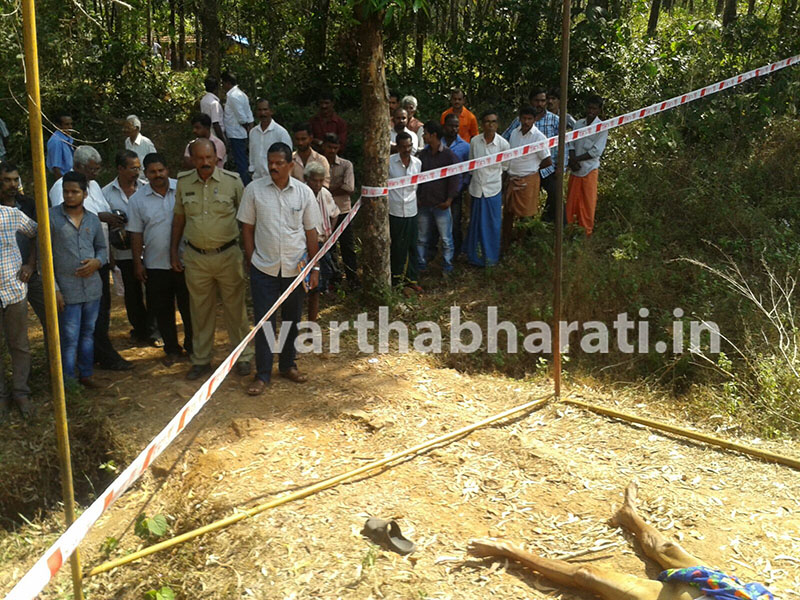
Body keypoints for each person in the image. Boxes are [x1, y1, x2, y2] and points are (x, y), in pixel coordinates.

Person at [468, 482, 775, 600]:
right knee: (666, 548)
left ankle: (510, 550)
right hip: (725, 591)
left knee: (587, 575)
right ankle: (629, 515)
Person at [237, 142, 321, 395]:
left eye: (279, 163)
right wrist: (252, 260)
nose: (273, 167)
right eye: (270, 162)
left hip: (296, 270)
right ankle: (262, 374)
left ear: (291, 165)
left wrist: (314, 268)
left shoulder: (304, 193)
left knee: (291, 320)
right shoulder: (254, 190)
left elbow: (311, 233)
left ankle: (287, 365)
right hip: (264, 268)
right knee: (264, 322)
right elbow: (247, 229)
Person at [171, 138, 253, 380]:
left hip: (228, 256)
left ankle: (243, 356)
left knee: (236, 310)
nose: (205, 162)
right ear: (192, 159)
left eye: (209, 157)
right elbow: (179, 219)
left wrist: (250, 254)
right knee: (200, 311)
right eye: (199, 158)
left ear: (217, 157)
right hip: (196, 258)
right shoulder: (184, 182)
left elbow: (247, 220)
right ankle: (201, 359)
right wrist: (173, 251)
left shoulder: (232, 182)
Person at [50, 145, 133, 371]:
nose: (95, 173)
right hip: (74, 266)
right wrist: (101, 216)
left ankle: (94, 357)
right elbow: (64, 218)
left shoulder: (93, 186)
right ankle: (80, 367)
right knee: (74, 324)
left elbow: (98, 219)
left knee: (100, 313)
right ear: (78, 166)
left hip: (99, 259)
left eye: (97, 169)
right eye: (91, 169)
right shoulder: (62, 187)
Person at [128, 153, 193, 366]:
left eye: (161, 170)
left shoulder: (182, 189)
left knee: (189, 307)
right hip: (155, 264)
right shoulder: (137, 200)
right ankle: (172, 349)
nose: (158, 175)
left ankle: (193, 347)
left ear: (167, 170)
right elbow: (135, 233)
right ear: (146, 174)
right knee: (163, 309)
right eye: (152, 172)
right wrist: (138, 263)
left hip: (185, 260)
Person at [50, 172, 106, 388]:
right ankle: (68, 382)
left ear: (85, 194)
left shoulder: (92, 219)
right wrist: (55, 289)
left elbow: (102, 248)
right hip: (67, 290)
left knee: (88, 333)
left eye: (75, 192)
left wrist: (97, 262)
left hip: (92, 289)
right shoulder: (51, 218)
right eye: (66, 192)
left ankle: (86, 374)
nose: (70, 196)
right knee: (69, 337)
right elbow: (43, 259)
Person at [102, 150, 158, 346]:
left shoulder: (146, 188)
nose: (137, 172)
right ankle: (140, 330)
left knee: (154, 291)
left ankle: (154, 331)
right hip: (123, 252)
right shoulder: (106, 193)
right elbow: (102, 224)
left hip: (148, 249)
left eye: (138, 168)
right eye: (133, 168)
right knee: (132, 294)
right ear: (120, 168)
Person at [0, 181, 37, 420]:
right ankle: (1, 396)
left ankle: (21, 392)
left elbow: (37, 232)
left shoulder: (10, 215)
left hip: (13, 291)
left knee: (19, 345)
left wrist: (30, 264)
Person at [503, 87, 562, 223]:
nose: (540, 104)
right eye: (537, 100)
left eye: (543, 101)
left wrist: (560, 166)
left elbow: (562, 146)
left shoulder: (553, 122)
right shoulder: (516, 128)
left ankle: (551, 225)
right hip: (516, 174)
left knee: (553, 197)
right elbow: (505, 139)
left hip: (544, 171)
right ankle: (511, 234)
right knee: (511, 210)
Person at [0, 162, 45, 325]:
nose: (13, 184)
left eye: (15, 179)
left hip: (31, 272)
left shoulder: (28, 204)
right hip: (6, 278)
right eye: (7, 180)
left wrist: (31, 264)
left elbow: (37, 233)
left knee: (51, 317)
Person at [503, 106, 552, 252]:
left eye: (529, 119)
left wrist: (532, 168)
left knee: (525, 214)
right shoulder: (514, 133)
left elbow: (547, 161)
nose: (526, 121)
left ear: (534, 119)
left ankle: (521, 245)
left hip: (528, 179)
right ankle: (505, 243)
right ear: (519, 118)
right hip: (512, 178)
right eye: (524, 118)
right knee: (508, 212)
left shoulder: (539, 137)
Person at [465, 110, 509, 267]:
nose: (490, 125)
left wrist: (499, 187)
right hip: (476, 189)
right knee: (476, 224)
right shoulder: (475, 141)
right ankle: (474, 257)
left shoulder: (503, 144)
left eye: (493, 122)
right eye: (487, 122)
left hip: (493, 190)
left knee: (492, 225)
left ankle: (490, 259)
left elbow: (505, 168)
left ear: (497, 125)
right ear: (482, 124)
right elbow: (471, 165)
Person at [416, 121, 459, 277]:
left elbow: (455, 179)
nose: (423, 136)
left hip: (442, 205)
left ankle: (447, 267)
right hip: (424, 204)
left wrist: (449, 200)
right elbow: (417, 177)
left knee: (446, 239)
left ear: (433, 135)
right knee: (421, 238)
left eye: (425, 133)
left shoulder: (449, 155)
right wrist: (418, 197)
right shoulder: (422, 155)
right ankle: (421, 265)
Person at [566, 95, 608, 237]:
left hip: (589, 169)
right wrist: (572, 159)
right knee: (572, 201)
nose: (591, 111)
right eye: (589, 108)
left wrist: (577, 159)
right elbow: (571, 142)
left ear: (599, 110)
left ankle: (586, 232)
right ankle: (570, 229)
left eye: (594, 109)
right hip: (575, 169)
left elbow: (596, 151)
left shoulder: (602, 128)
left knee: (587, 202)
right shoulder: (578, 124)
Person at [321, 133, 358, 287]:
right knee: (328, 247)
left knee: (347, 247)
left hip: (343, 211)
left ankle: (352, 279)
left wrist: (326, 190)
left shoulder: (346, 165)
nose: (332, 151)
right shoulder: (318, 164)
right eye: (329, 147)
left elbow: (349, 188)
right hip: (324, 213)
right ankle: (333, 280)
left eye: (335, 148)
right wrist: (337, 187)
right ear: (324, 146)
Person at [304, 161, 339, 322]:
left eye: (320, 180)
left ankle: (312, 320)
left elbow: (335, 213)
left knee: (318, 282)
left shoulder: (325, 193)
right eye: (314, 180)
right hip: (304, 245)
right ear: (307, 179)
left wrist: (330, 234)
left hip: (322, 243)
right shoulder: (301, 194)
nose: (317, 184)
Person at [388, 132, 422, 292]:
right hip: (394, 211)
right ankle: (396, 280)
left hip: (411, 210)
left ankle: (411, 279)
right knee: (396, 245)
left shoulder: (417, 163)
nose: (407, 150)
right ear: (397, 147)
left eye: (409, 146)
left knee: (412, 245)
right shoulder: (389, 163)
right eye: (403, 147)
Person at [442, 113, 470, 257]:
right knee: (434, 225)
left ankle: (456, 253)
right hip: (437, 192)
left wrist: (461, 187)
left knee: (455, 223)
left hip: (456, 193)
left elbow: (468, 171)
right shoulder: (436, 143)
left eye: (456, 126)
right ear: (444, 126)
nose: (453, 129)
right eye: (450, 126)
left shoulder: (465, 147)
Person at [221, 71, 253, 185]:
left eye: (223, 83)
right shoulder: (241, 94)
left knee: (240, 161)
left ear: (228, 83)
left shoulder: (233, 96)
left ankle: (245, 185)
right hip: (239, 133)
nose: (222, 86)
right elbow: (249, 114)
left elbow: (241, 117)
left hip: (236, 133)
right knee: (241, 160)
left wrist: (246, 127)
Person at [249, 98, 292, 181]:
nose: (262, 113)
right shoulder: (253, 132)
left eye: (265, 109)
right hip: (257, 179)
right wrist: (251, 170)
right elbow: (252, 155)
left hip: (274, 179)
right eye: (259, 110)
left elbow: (288, 158)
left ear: (271, 111)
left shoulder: (281, 133)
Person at [46, 113, 75, 179]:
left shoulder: (68, 138)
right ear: (58, 126)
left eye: (71, 124)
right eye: (67, 124)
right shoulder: (56, 141)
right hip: (61, 179)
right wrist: (62, 183)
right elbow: (56, 168)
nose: (70, 127)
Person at [200, 75, 227, 143]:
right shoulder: (214, 103)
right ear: (216, 88)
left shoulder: (203, 100)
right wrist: (223, 140)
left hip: (207, 134)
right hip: (215, 136)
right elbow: (215, 123)